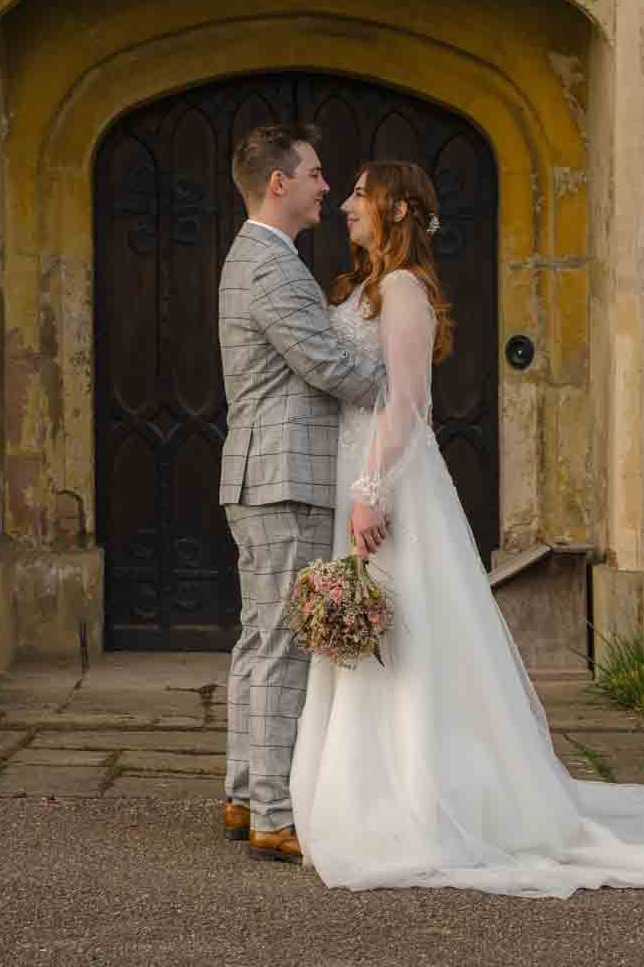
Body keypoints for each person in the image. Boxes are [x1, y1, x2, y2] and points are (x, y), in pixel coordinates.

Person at [288, 160, 644, 896]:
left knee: (408, 632)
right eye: (348, 192)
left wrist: (369, 489)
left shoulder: (404, 290)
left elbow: (410, 402)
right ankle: (365, 794)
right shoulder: (360, 288)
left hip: (390, 481)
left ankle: (418, 803)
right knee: (377, 633)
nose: (348, 205)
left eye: (360, 194)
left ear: (393, 209)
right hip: (362, 471)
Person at [217, 123, 386, 864]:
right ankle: (273, 815)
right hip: (281, 474)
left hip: (265, 471)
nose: (328, 186)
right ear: (278, 182)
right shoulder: (270, 264)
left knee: (261, 637)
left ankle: (244, 793)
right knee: (281, 644)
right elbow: (323, 363)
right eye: (316, 174)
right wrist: (400, 385)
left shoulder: (260, 256)